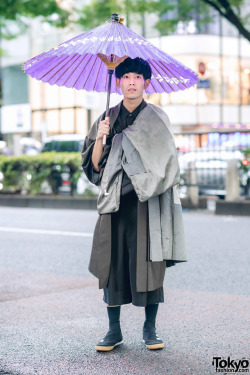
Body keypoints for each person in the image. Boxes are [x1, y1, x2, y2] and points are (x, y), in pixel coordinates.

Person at [82, 57, 187, 352]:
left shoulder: (156, 117)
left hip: (146, 202)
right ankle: (113, 330)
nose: (131, 81)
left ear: (146, 83)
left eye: (137, 77)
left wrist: (126, 143)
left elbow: (167, 162)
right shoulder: (106, 117)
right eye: (125, 76)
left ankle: (150, 328)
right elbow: (94, 167)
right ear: (117, 83)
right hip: (114, 202)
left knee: (149, 263)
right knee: (111, 263)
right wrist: (102, 138)